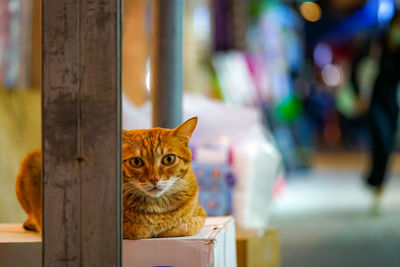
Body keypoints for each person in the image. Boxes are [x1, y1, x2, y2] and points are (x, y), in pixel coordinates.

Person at [352, 11, 400, 206]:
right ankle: (375, 179)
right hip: (372, 101)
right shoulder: (375, 43)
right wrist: (358, 95)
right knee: (380, 138)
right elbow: (356, 69)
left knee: (387, 144)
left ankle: (377, 182)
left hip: (392, 103)